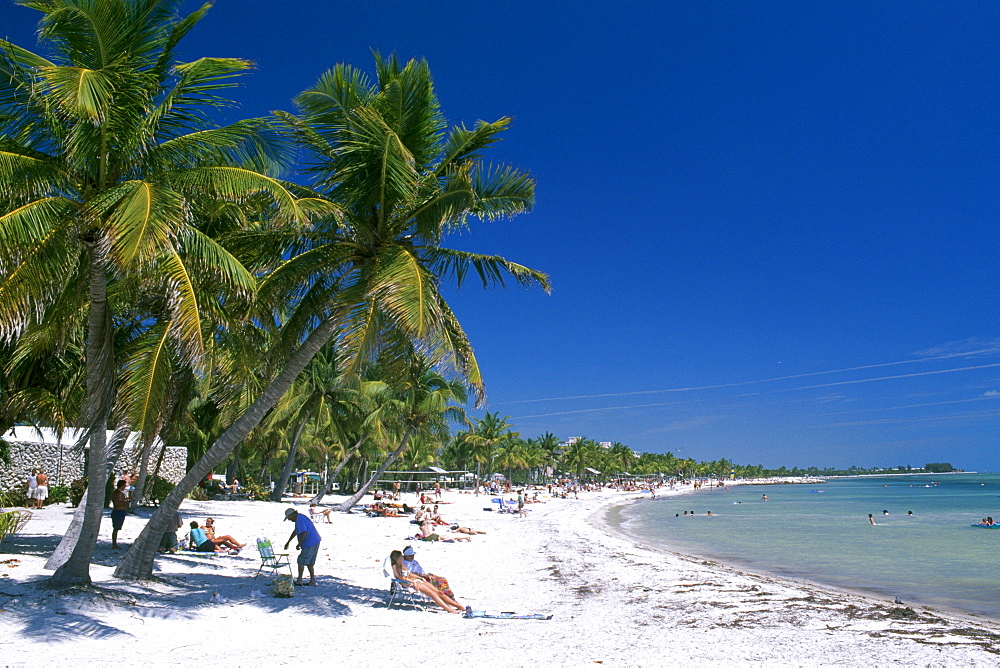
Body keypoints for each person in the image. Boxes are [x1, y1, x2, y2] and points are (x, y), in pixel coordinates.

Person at [389, 550, 463, 613]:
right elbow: (400, 577)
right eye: (401, 556)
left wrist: (420, 578)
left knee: (439, 592)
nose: (403, 557)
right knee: (433, 594)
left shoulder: (401, 565)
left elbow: (410, 574)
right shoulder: (395, 566)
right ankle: (449, 609)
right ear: (397, 558)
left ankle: (458, 606)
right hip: (409, 583)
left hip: (415, 580)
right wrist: (412, 582)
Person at [284, 507, 322, 585]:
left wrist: (299, 544)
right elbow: (296, 531)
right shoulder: (300, 517)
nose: (289, 520)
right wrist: (288, 542)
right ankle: (312, 581)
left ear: (292, 515)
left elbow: (304, 532)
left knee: (301, 560)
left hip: (310, 542)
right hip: (315, 540)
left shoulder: (299, 519)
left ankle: (299, 580)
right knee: (309, 562)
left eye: (289, 518)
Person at [111, 479, 131, 549]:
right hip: (118, 511)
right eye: (124, 485)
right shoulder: (117, 493)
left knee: (117, 528)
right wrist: (125, 503)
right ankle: (114, 544)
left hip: (120, 511)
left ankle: (114, 543)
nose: (125, 487)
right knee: (116, 528)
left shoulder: (119, 493)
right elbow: (117, 503)